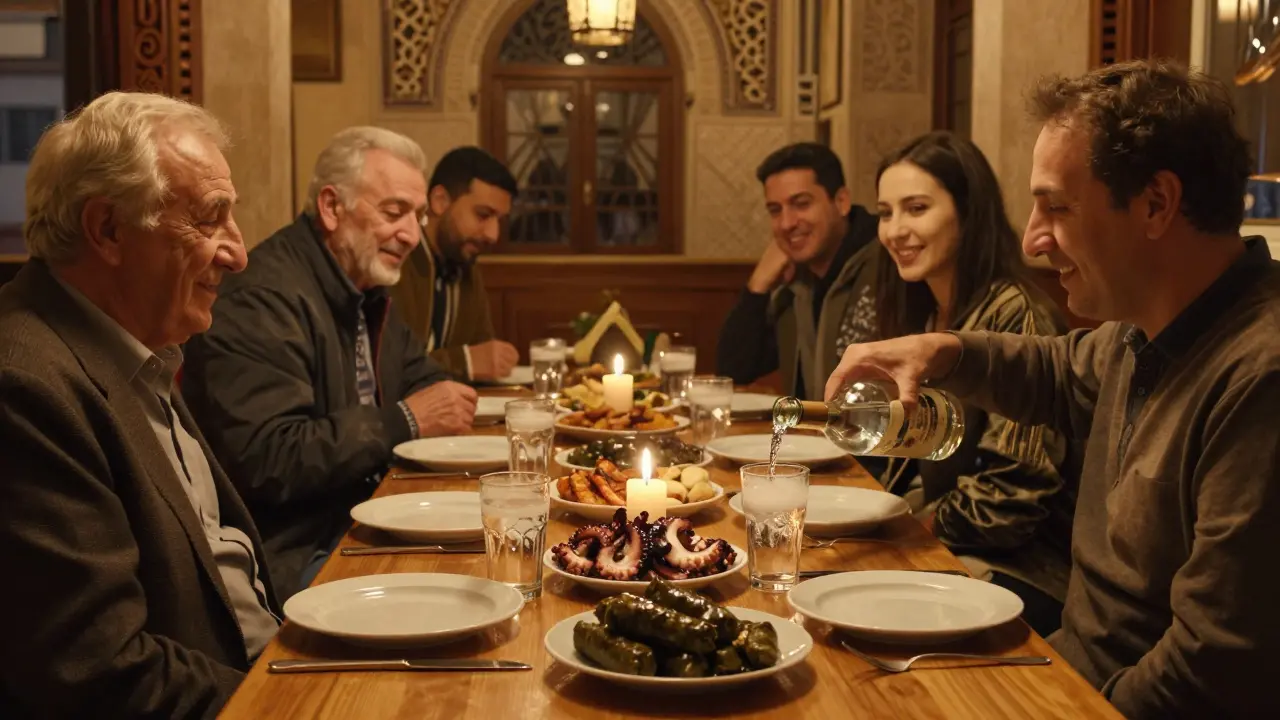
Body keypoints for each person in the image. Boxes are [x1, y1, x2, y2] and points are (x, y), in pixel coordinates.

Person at [826, 60, 1280, 719]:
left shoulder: (1259, 374)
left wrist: (1050, 704)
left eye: (1057, 207)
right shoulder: (1139, 332)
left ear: (1156, 204)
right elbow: (1055, 372)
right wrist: (941, 349)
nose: (1034, 239)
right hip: (1063, 670)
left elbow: (1211, 666)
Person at [0, 92, 279, 717]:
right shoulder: (24, 386)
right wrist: (297, 701)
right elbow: (100, 670)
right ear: (107, 229)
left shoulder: (136, 344)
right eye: (210, 219)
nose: (239, 253)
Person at [182, 127, 477, 599]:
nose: (411, 234)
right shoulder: (262, 297)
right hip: (294, 554)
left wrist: (432, 406)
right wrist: (404, 421)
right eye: (394, 212)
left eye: (418, 216)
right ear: (331, 207)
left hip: (362, 518)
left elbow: (424, 380)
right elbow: (268, 459)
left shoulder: (364, 287)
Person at [873, 130, 1074, 636]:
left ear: (968, 212)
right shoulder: (928, 313)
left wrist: (911, 533)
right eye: (884, 213)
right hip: (952, 538)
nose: (895, 230)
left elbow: (1014, 492)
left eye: (916, 208)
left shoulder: (1017, 314)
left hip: (1027, 569)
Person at [717, 142, 880, 400]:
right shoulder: (794, 284)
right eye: (775, 210)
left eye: (801, 204)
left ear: (841, 202)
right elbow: (733, 371)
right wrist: (758, 284)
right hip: (811, 426)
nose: (786, 223)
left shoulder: (887, 264)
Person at [390, 146, 519, 382]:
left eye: (499, 220)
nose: (493, 235)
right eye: (483, 215)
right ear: (440, 201)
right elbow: (385, 368)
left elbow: (481, 349)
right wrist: (464, 362)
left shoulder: (465, 262)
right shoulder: (394, 262)